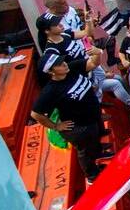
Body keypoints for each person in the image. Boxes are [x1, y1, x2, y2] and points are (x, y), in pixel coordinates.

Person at [30, 48, 106, 182]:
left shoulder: (72, 68)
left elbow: (93, 64)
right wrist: (55, 126)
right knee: (85, 152)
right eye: (58, 64)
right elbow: (36, 114)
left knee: (95, 140)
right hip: (79, 127)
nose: (64, 64)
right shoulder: (50, 91)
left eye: (62, 61)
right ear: (51, 72)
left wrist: (97, 54)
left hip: (92, 116)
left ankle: (99, 154)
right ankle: (92, 176)